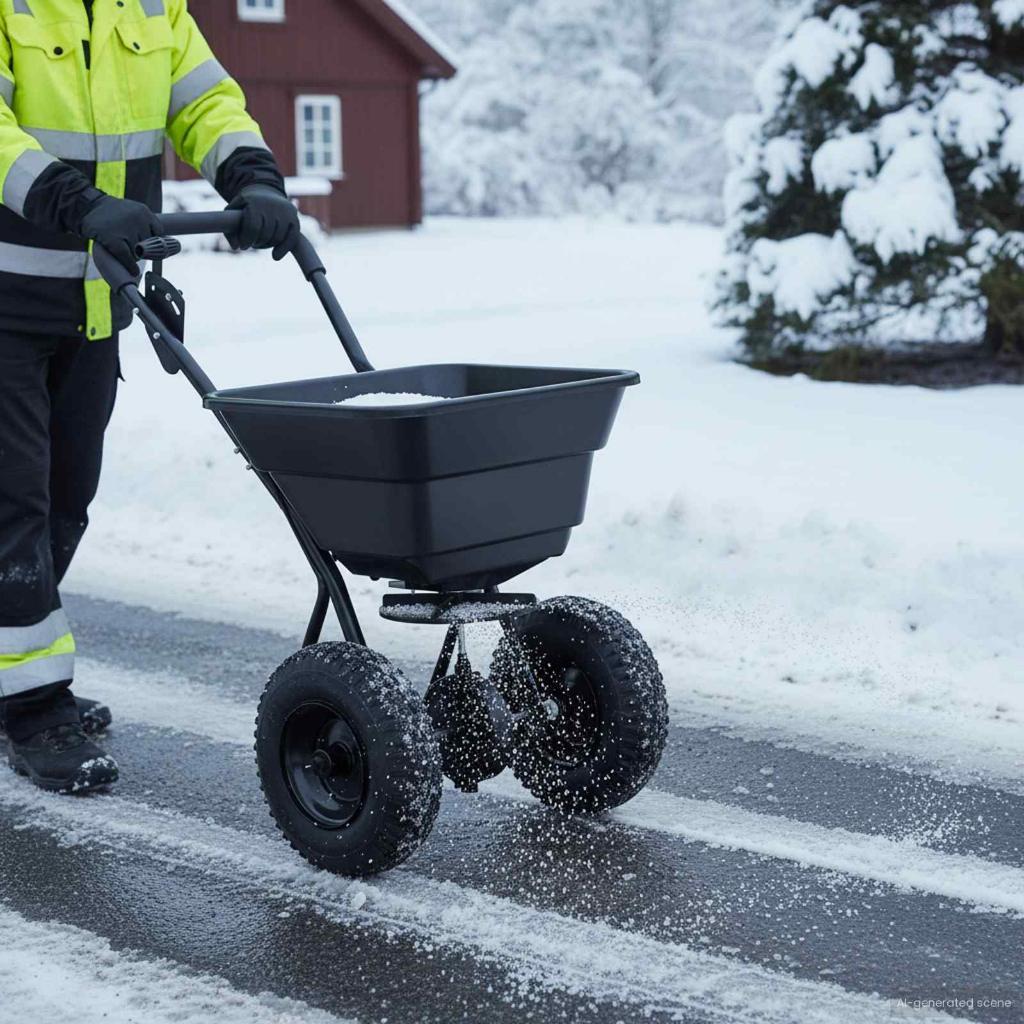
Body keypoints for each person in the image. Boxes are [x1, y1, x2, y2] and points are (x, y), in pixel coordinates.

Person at [0, 0, 299, 793]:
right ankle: (30, 705)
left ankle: (15, 677)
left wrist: (251, 176)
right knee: (13, 505)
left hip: (96, 300)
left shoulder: (154, 7)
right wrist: (80, 204)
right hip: (4, 299)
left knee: (67, 499)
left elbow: (202, 99)